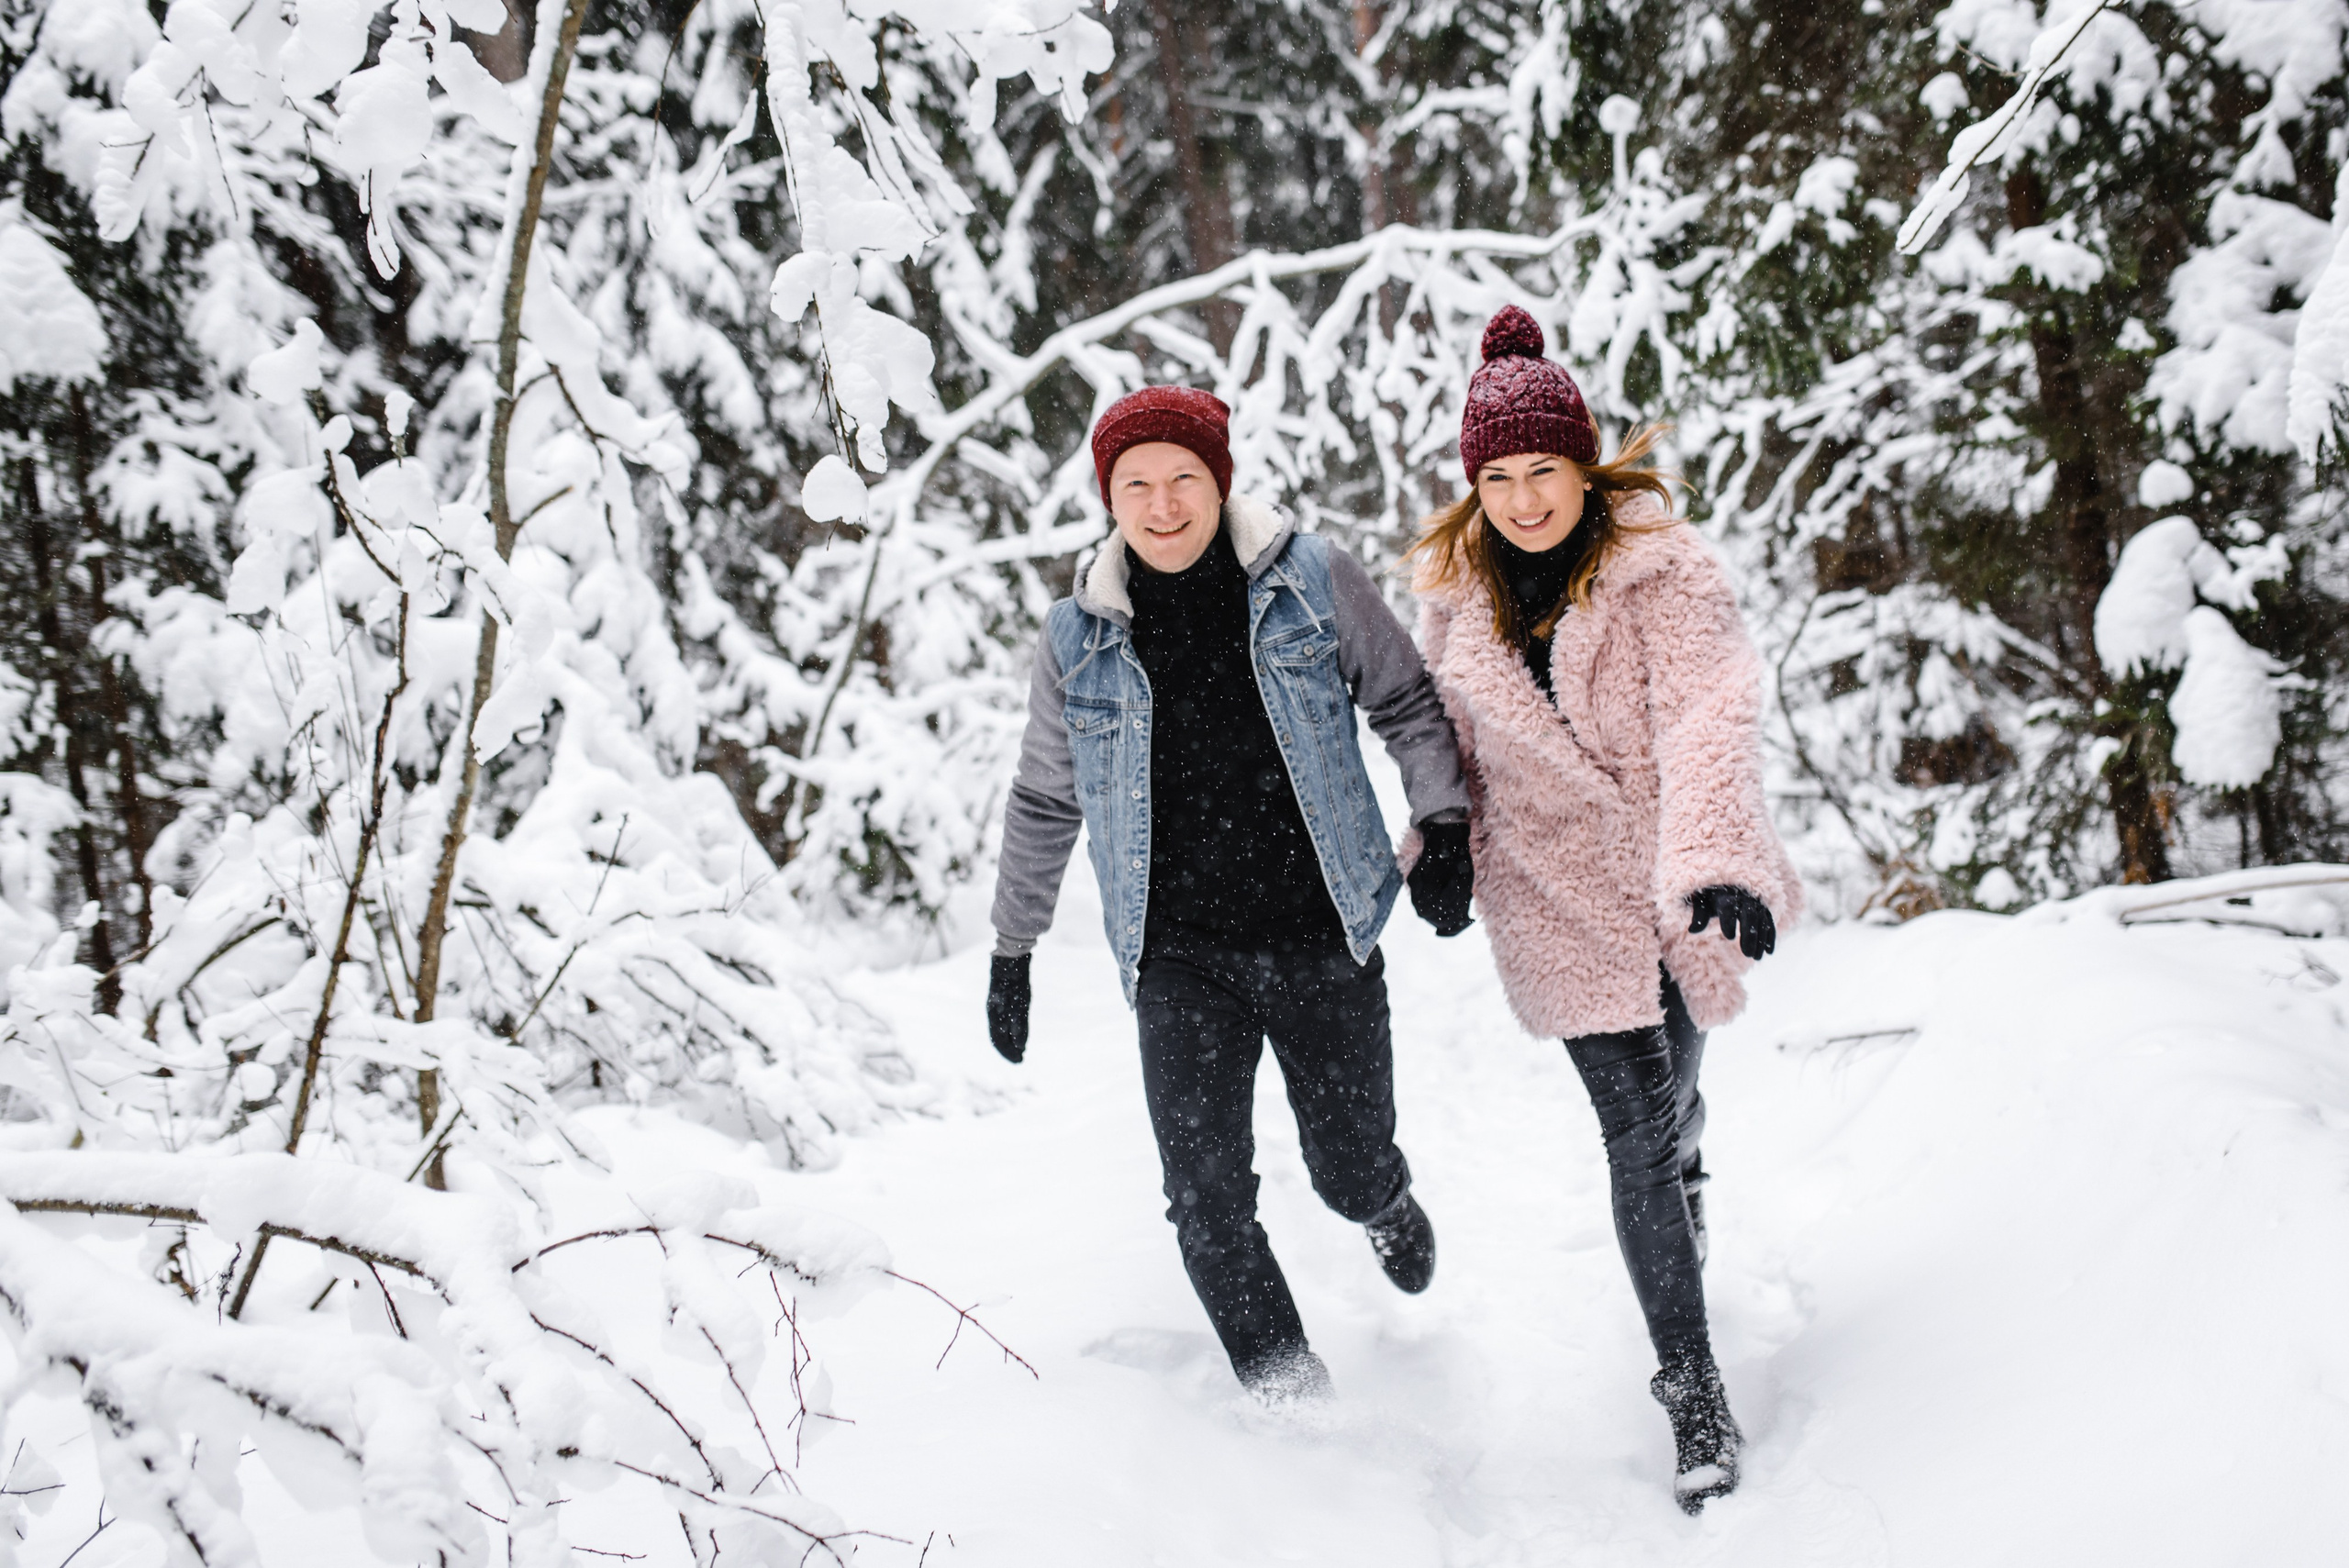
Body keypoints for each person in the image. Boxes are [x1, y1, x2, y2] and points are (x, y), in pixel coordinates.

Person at [985, 385, 1475, 1402]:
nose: (1162, 506)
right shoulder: (1075, 638)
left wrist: (1447, 822)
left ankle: (1379, 1194)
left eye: (1182, 480)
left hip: (1319, 931)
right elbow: (1044, 796)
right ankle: (1297, 1410)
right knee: (1204, 1202)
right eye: (1136, 486)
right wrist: (1011, 945)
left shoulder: (1310, 582)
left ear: (1219, 481)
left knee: (1344, 1166)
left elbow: (1404, 700)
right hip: (1181, 958)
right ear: (1108, 498)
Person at [1408, 306, 1802, 1511]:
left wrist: (1716, 854)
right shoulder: (1454, 596)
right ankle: (1691, 1388)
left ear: (1586, 466)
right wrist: (1439, 842)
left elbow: (1711, 709)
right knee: (1633, 1133)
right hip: (1556, 892)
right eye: (1499, 478)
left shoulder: (1665, 572)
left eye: (1543, 471)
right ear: (1475, 487)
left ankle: (1688, 1186)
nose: (1524, 499)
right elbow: (1448, 745)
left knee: (1676, 1108)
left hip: (1673, 873)